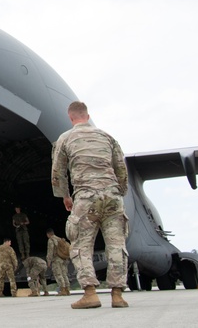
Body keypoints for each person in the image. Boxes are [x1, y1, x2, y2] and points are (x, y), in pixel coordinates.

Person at [50, 101, 129, 309]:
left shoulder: (65, 138)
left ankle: (90, 293)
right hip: (112, 196)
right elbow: (121, 168)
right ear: (87, 115)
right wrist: (119, 192)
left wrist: (66, 197)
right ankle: (117, 295)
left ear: (71, 118)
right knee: (116, 245)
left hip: (86, 198)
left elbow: (58, 172)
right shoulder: (107, 137)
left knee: (81, 246)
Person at [46, 227, 71, 295]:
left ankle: (62, 290)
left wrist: (48, 261)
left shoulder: (51, 240)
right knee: (64, 274)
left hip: (56, 260)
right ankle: (67, 290)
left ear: (48, 234)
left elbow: (50, 251)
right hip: (64, 259)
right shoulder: (60, 239)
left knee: (58, 274)